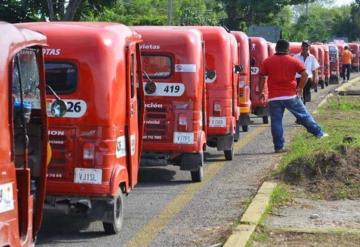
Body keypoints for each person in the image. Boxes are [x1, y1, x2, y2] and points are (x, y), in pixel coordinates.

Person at [259, 39, 328, 153]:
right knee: (304, 116)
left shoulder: (267, 61)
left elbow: (262, 77)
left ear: (276, 49)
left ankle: (278, 147)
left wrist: (262, 91)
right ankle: (319, 133)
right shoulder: (293, 60)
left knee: (276, 122)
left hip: (274, 97)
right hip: (290, 96)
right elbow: (305, 74)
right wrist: (300, 88)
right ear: (288, 49)